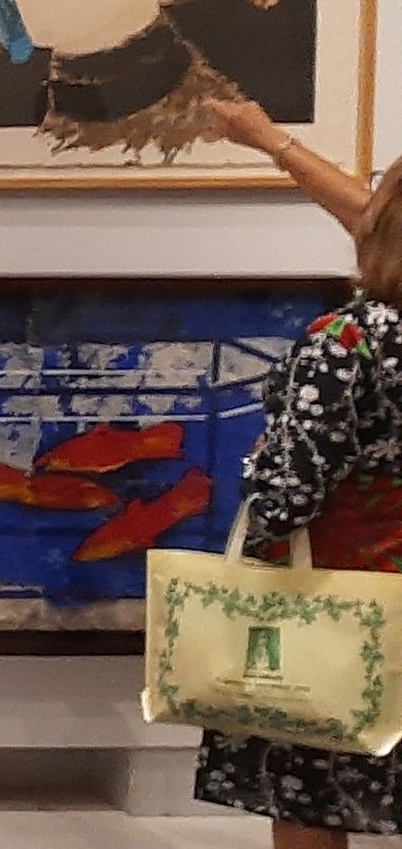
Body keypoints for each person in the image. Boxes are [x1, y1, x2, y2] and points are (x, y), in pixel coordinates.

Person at [196, 97, 402, 847]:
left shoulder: (352, 341)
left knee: (314, 787)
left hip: (348, 604)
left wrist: (259, 477)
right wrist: (270, 139)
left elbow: (288, 493)